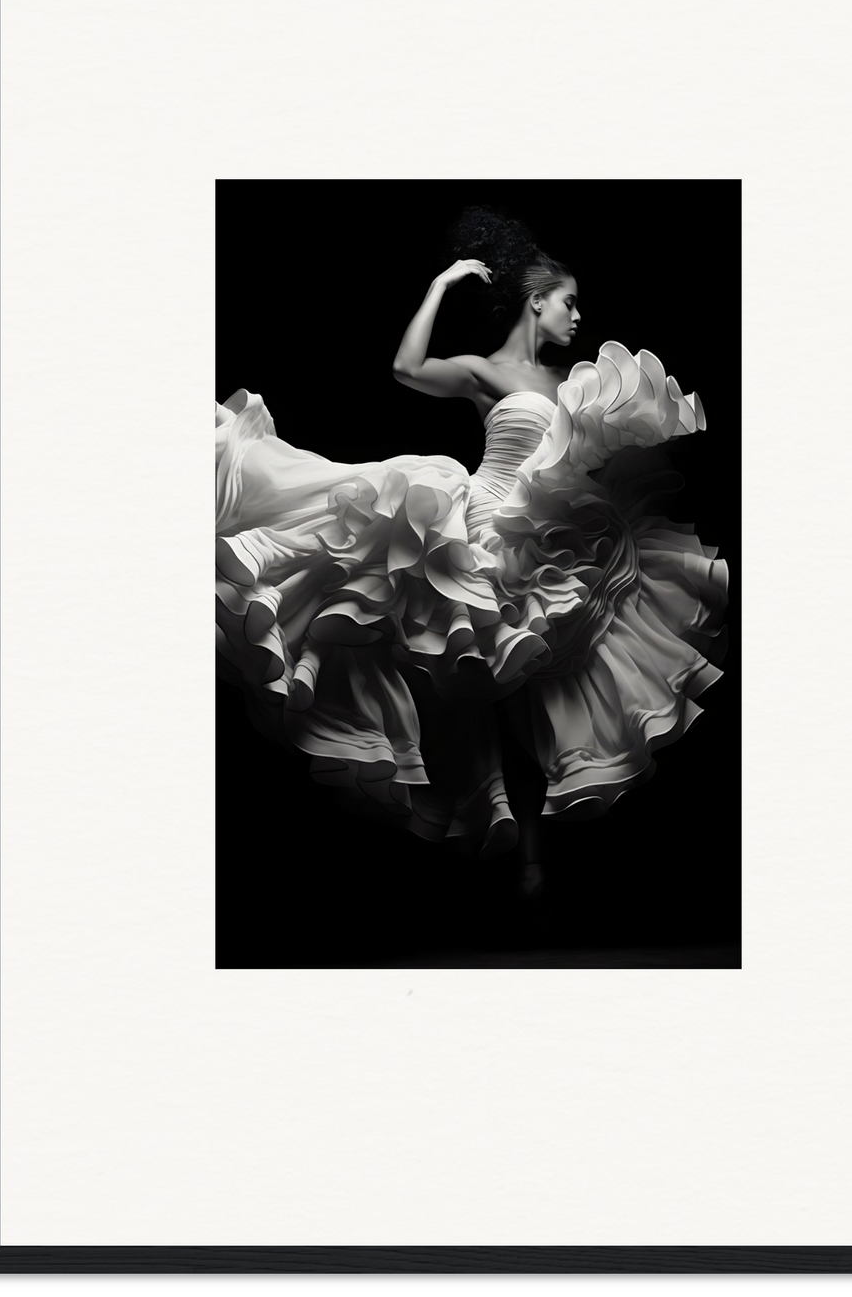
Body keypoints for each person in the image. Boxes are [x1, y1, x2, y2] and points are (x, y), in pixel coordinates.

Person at [215, 206, 728, 899]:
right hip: (480, 525)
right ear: (534, 301)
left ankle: (529, 857)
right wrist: (444, 282)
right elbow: (405, 366)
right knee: (468, 689)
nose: (577, 317)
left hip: (551, 540)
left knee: (535, 698)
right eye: (567, 303)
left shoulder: (570, 378)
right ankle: (479, 857)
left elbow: (587, 454)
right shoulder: (483, 371)